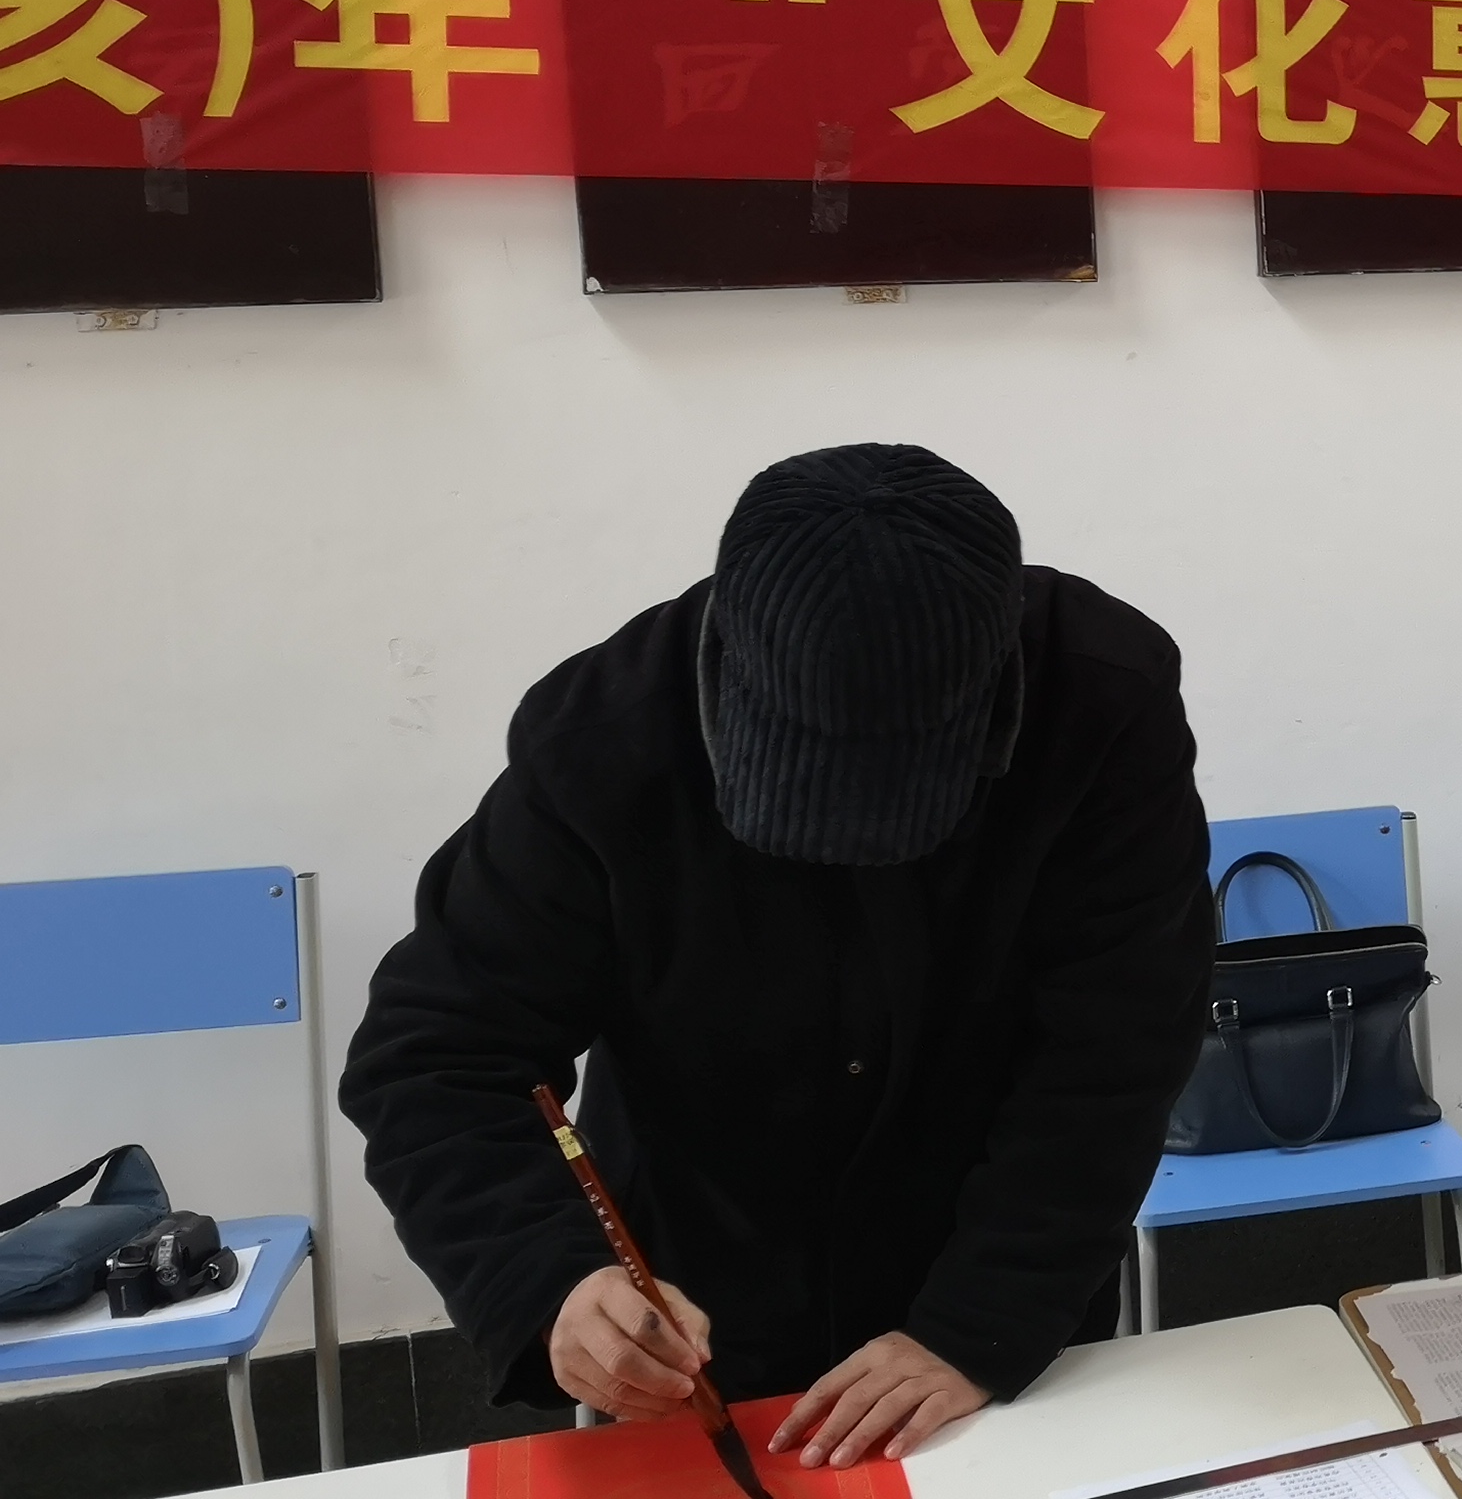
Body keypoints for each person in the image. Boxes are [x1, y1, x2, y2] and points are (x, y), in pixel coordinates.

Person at [341, 445, 1213, 1466]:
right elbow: (435, 1054)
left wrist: (984, 1322)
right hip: (700, 1290)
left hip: (1002, 1265)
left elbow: (1117, 1044)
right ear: (729, 664)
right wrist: (550, 1281)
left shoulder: (1102, 701)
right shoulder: (602, 742)